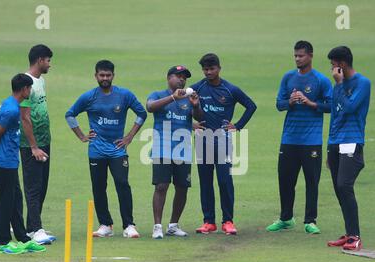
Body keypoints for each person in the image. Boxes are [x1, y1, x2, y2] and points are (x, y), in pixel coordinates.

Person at [65, 60, 147, 238]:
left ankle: (129, 225)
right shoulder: (88, 97)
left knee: (122, 184)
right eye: (101, 75)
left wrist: (129, 136)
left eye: (108, 75)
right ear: (96, 76)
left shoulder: (124, 95)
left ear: (113, 76)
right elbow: (70, 114)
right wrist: (81, 136)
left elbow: (142, 113)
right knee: (99, 187)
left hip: (118, 150)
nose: (105, 78)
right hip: (96, 150)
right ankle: (105, 225)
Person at [266, 41, 333, 234]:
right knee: (285, 180)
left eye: (301, 56)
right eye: (295, 55)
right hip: (289, 138)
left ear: (310, 56)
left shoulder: (321, 80)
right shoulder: (288, 78)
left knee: (312, 181)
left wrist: (310, 102)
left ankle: (310, 220)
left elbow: (330, 106)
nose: (297, 59)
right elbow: (279, 104)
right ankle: (286, 218)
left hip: (311, 140)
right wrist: (291, 101)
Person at [190, 53, 257, 235]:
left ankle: (228, 221)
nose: (209, 72)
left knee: (224, 180)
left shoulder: (230, 90)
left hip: (222, 140)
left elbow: (251, 106)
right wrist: (191, 124)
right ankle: (208, 222)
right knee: (205, 181)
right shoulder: (197, 88)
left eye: (212, 69)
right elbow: (181, 107)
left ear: (219, 68)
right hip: (202, 140)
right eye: (205, 69)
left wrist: (238, 125)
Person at [0, 74, 46, 254]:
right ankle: (3, 243)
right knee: (6, 200)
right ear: (24, 89)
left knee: (16, 198)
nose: (30, 92)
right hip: (4, 161)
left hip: (9, 160)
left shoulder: (9, 104)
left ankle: (23, 238)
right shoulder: (11, 110)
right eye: (29, 89)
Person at [146, 65, 203, 239]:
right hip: (162, 148)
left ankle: (173, 225)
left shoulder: (188, 98)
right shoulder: (158, 94)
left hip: (183, 150)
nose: (181, 79)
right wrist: (172, 97)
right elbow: (150, 107)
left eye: (184, 77)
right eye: (178, 76)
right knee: (161, 186)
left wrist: (195, 106)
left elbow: (200, 119)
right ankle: (157, 226)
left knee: (182, 188)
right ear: (169, 78)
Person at [326, 46, 371, 251]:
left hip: (352, 140)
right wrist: (329, 147)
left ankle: (355, 237)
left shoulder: (363, 83)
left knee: (345, 185)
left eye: (333, 64)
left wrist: (340, 84)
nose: (332, 69)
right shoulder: (337, 86)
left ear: (342, 64)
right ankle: (349, 233)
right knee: (339, 189)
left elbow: (351, 108)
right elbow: (335, 116)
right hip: (336, 142)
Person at [20, 44, 56, 244]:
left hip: (44, 141)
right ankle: (38, 230)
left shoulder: (40, 81)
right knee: (33, 187)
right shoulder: (26, 83)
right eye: (48, 60)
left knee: (42, 186)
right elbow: (25, 118)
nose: (50, 65)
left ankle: (32, 228)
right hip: (30, 145)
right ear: (40, 60)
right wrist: (33, 147)